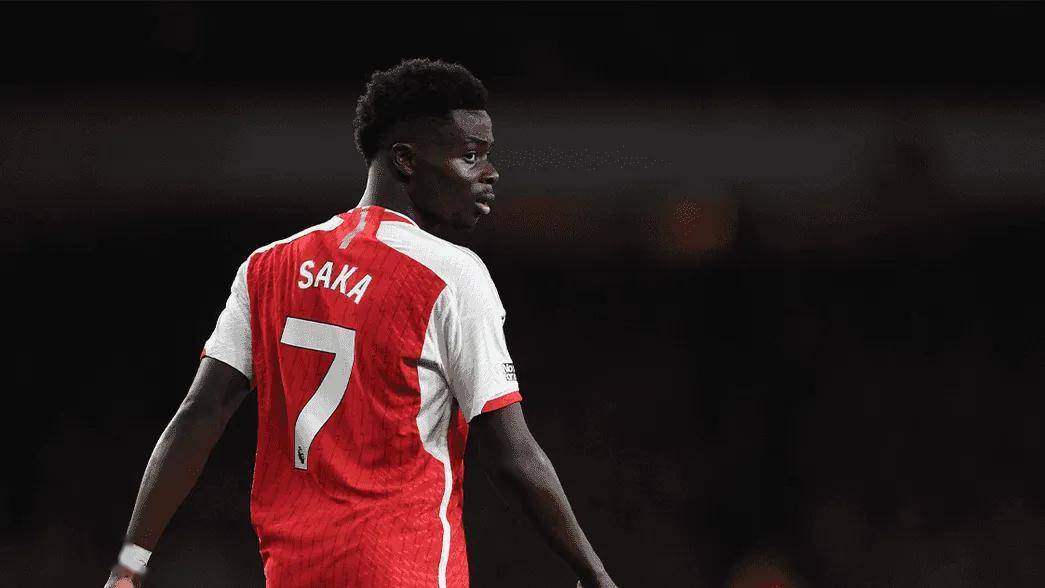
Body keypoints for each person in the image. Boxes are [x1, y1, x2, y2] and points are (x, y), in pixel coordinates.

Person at [103, 58, 616, 588]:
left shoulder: (268, 267)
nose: (490, 172)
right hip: (405, 568)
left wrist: (129, 565)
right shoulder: (450, 275)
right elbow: (510, 454)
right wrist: (593, 573)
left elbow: (199, 415)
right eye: (470, 155)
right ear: (405, 160)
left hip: (295, 573)